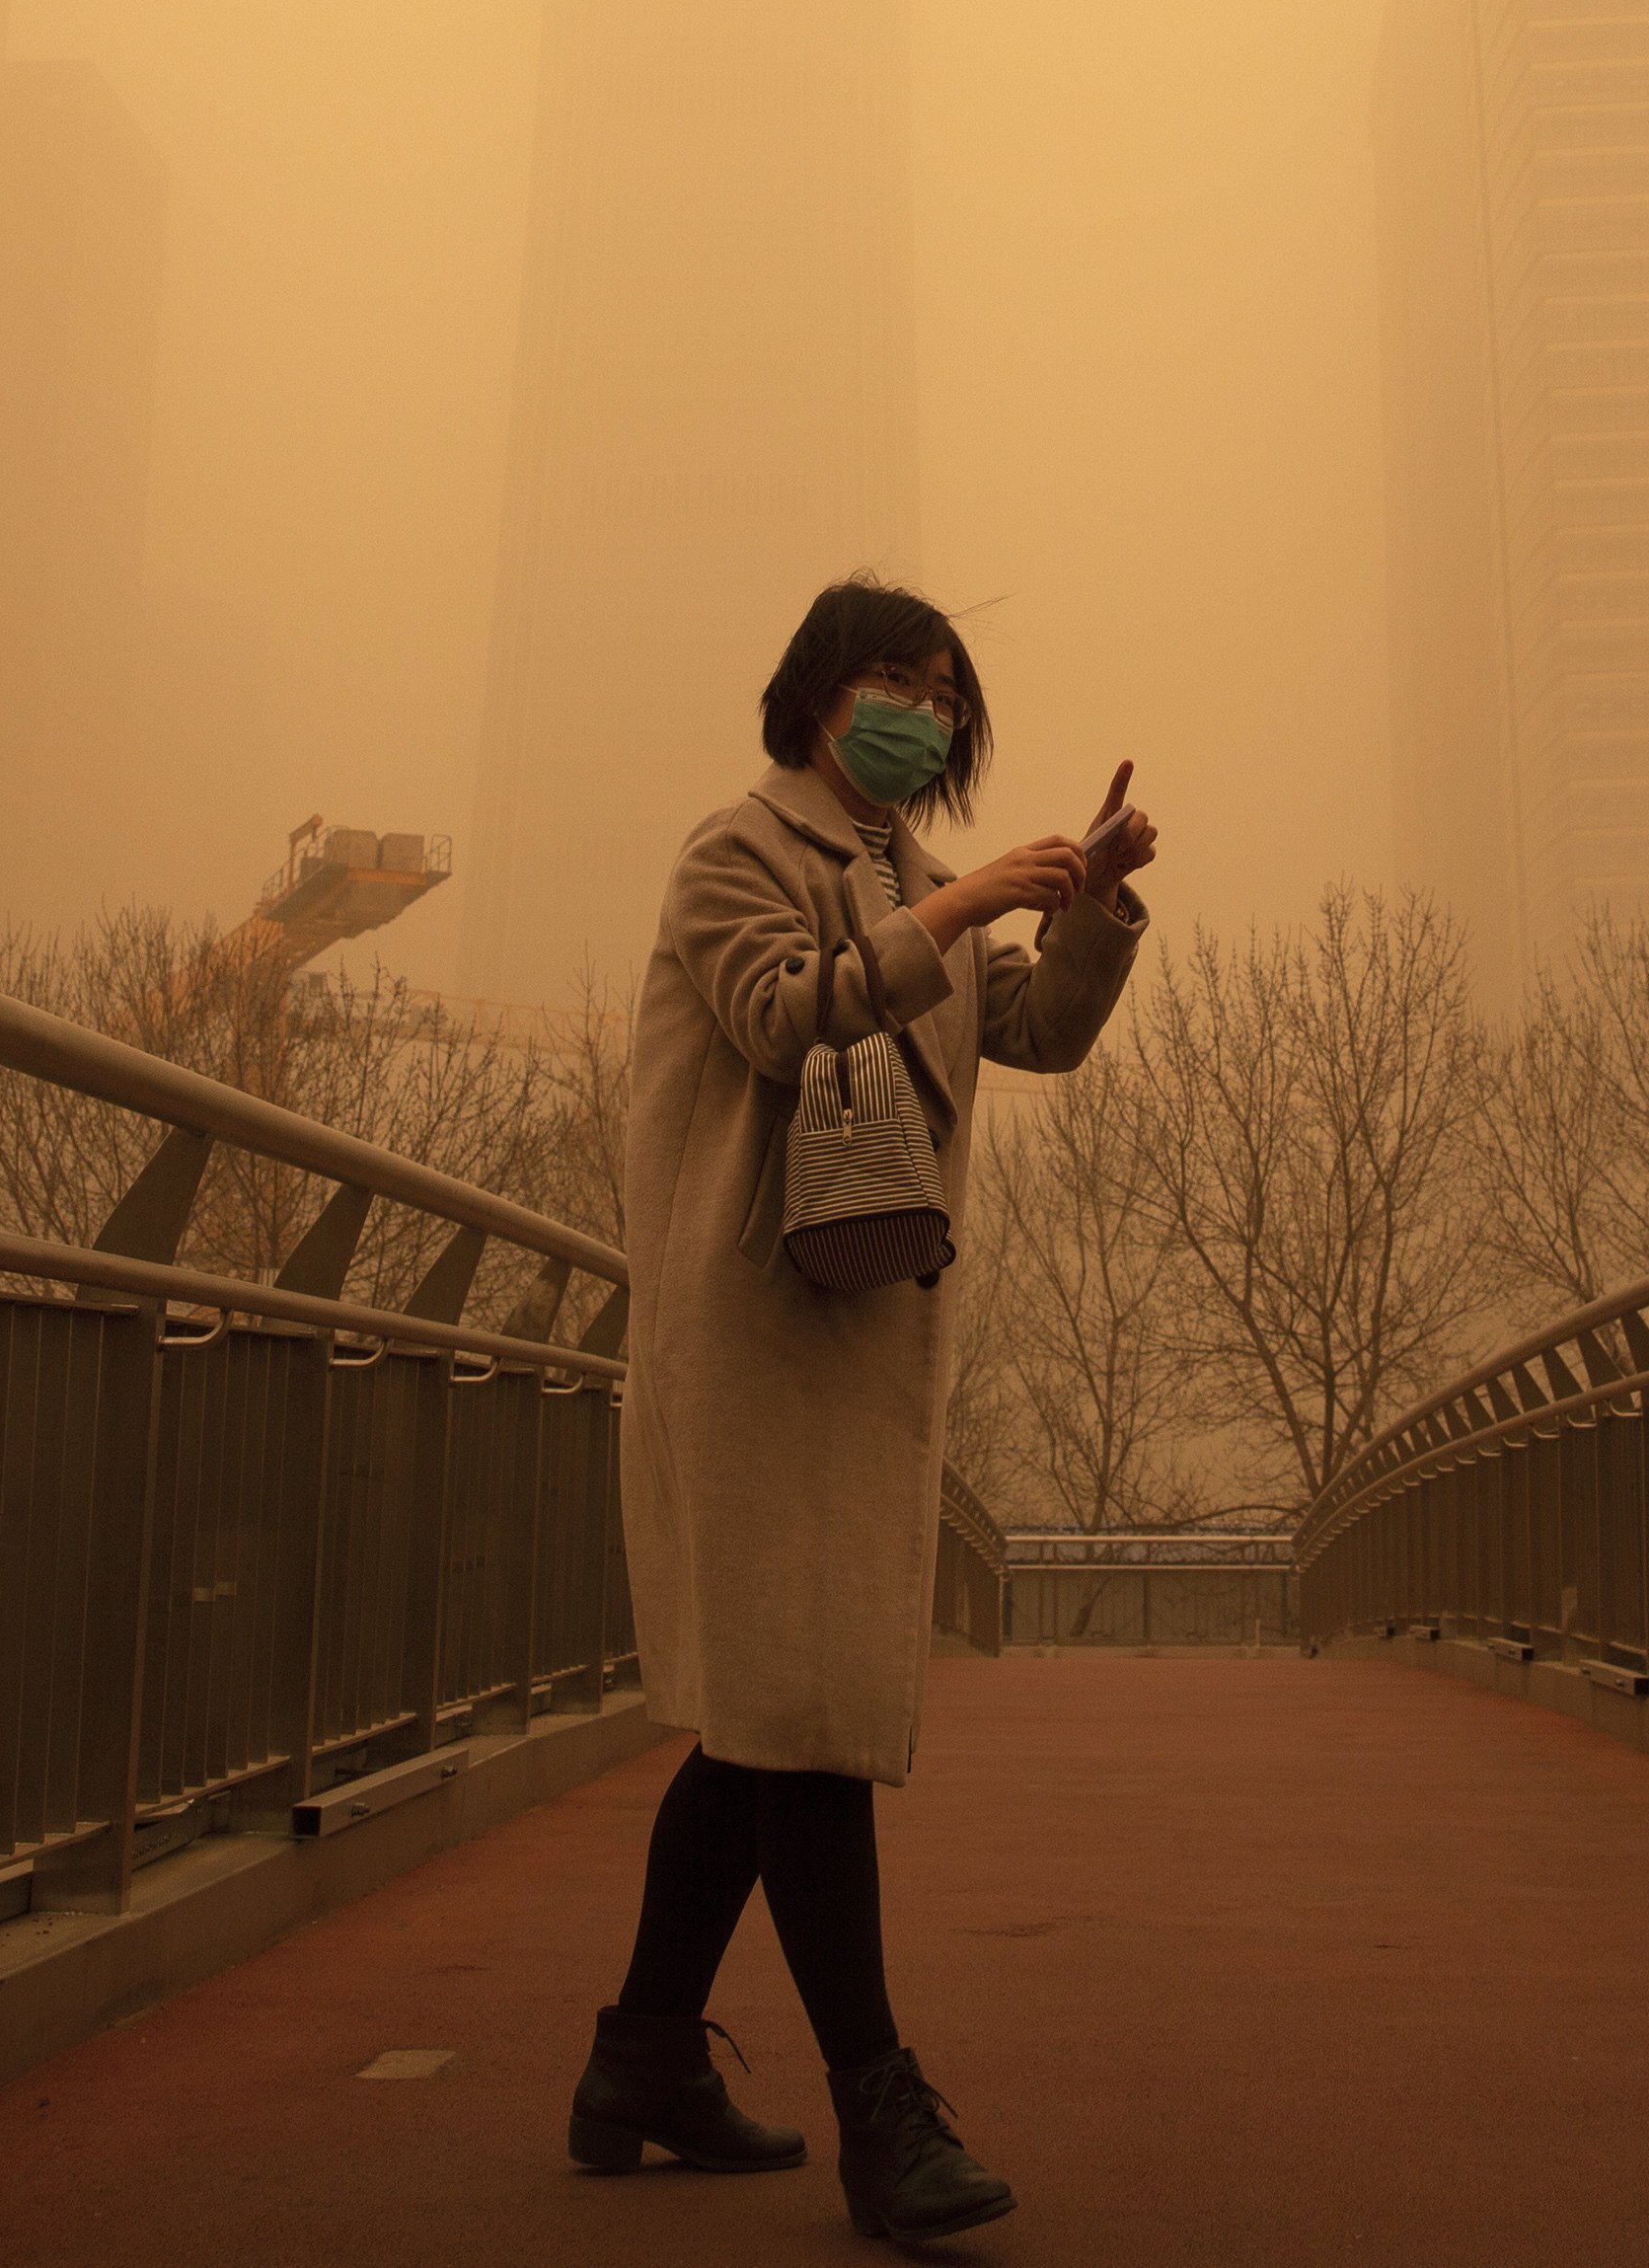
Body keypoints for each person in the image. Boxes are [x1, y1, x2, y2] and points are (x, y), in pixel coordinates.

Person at [566, 575, 1157, 2241]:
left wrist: (1088, 909)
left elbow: (1024, 1032)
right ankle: (881, 2111)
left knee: (766, 1715)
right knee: (806, 1721)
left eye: (945, 691)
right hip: (752, 1343)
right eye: (895, 678)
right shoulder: (732, 853)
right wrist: (963, 906)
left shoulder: (906, 878)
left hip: (859, 1335)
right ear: (818, 692)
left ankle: (640, 2059)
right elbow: (779, 1010)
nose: (922, 710)